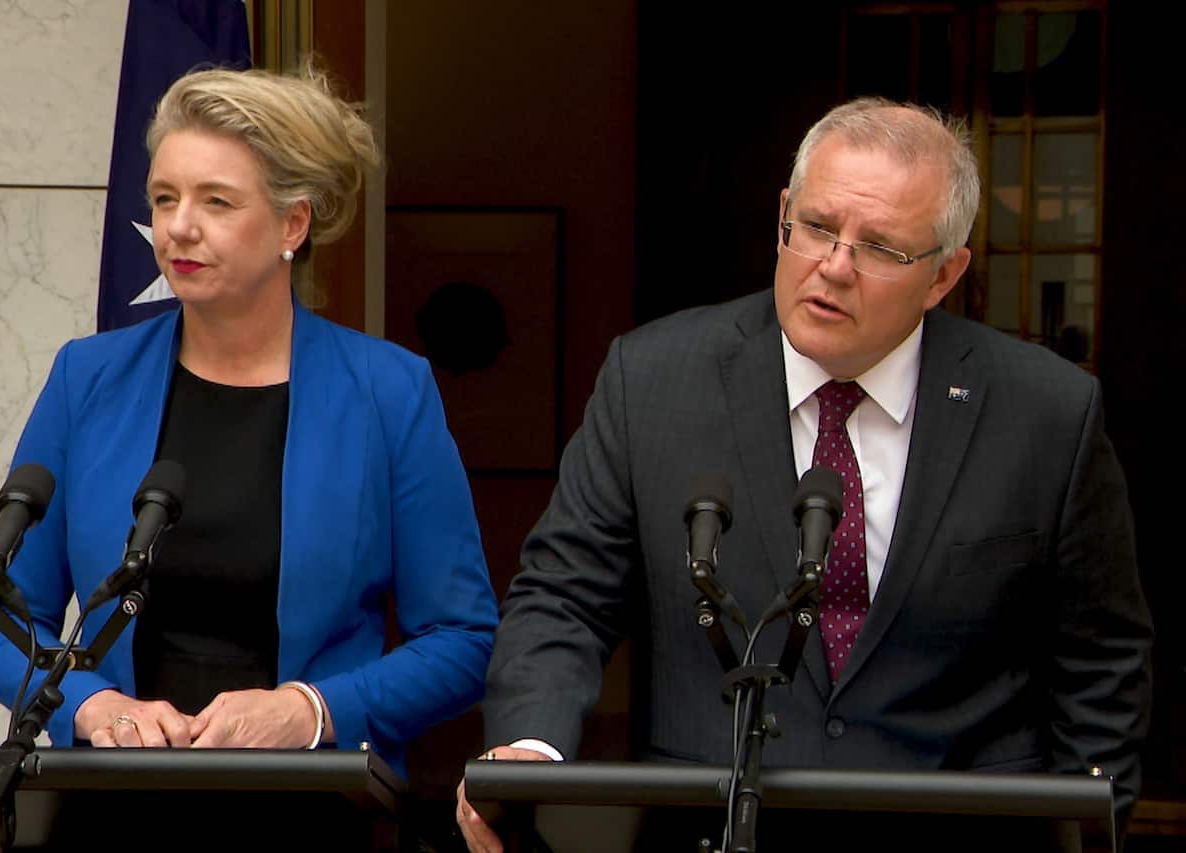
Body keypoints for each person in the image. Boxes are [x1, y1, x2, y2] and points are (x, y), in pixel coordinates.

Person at [457, 97, 1153, 851]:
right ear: (784, 214)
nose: (834, 266)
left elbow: (1101, 658)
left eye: (881, 247)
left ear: (944, 275)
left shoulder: (1047, 411)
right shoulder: (652, 380)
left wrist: (1089, 825)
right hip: (712, 826)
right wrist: (531, 751)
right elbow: (564, 597)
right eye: (817, 227)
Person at [0, 62, 498, 780]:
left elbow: (460, 638)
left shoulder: (388, 391)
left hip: (316, 807)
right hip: (113, 802)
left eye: (216, 201)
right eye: (165, 198)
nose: (179, 226)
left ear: (293, 222)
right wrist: (89, 705)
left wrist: (312, 710)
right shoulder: (87, 378)